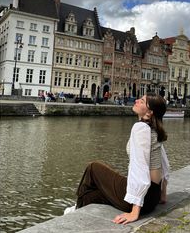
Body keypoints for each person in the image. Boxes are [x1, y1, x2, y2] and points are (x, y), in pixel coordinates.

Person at [64, 93, 169, 224]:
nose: (136, 100)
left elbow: (139, 167)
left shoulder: (140, 128)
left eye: (142, 101)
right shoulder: (154, 129)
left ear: (149, 112)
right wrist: (162, 194)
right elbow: (163, 163)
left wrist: (134, 212)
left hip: (143, 199)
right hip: (153, 197)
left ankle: (77, 207)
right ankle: (80, 206)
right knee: (93, 195)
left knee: (93, 167)